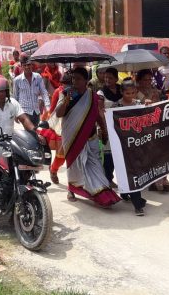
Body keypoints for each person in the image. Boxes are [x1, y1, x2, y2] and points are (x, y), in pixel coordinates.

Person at [55, 67, 120, 207]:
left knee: (95, 164)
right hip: (72, 136)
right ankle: (71, 189)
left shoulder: (92, 96)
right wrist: (66, 101)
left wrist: (104, 130)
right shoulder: (65, 93)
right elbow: (59, 113)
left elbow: (97, 115)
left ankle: (102, 191)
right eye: (73, 78)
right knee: (74, 164)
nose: (75, 81)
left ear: (86, 80)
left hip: (90, 136)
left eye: (78, 79)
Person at [0, 76, 43, 210]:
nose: (1, 94)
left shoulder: (13, 103)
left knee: (25, 159)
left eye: (3, 91)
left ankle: (21, 185)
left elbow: (24, 119)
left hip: (10, 140)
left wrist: (35, 132)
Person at [115, 80, 148, 215]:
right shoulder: (116, 106)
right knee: (128, 172)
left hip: (137, 145)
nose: (131, 95)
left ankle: (133, 200)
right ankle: (135, 201)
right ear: (122, 92)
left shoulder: (139, 104)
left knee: (136, 172)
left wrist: (148, 106)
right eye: (127, 93)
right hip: (122, 145)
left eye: (133, 93)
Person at [135, 69, 169, 193]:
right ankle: (151, 180)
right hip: (140, 127)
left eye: (150, 79)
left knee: (160, 153)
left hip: (154, 126)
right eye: (145, 80)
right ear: (139, 80)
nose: (148, 82)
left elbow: (159, 107)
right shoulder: (134, 92)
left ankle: (163, 179)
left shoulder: (155, 91)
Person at [42, 73, 71, 185]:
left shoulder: (79, 92)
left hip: (75, 123)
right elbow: (53, 109)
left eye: (69, 84)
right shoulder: (58, 92)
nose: (66, 86)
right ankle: (53, 170)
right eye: (64, 84)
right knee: (61, 156)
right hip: (60, 126)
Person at [96, 67, 122, 187]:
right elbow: (100, 111)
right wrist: (104, 129)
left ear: (116, 79)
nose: (107, 80)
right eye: (106, 77)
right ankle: (107, 179)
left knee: (120, 155)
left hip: (121, 127)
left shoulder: (122, 90)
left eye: (110, 78)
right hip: (107, 127)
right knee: (108, 155)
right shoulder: (101, 93)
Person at [13, 55, 50, 127]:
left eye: (29, 65)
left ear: (31, 65)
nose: (27, 67)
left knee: (36, 131)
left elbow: (44, 92)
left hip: (36, 112)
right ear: (21, 66)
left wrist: (47, 107)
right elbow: (15, 97)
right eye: (25, 65)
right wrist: (15, 113)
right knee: (30, 131)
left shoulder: (38, 77)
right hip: (24, 112)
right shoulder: (17, 80)